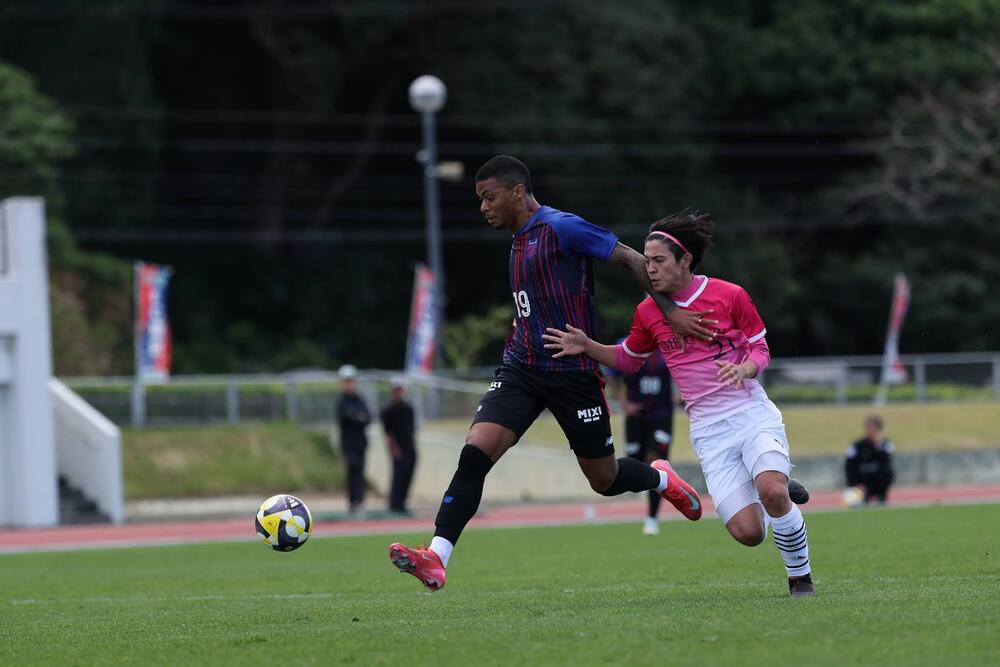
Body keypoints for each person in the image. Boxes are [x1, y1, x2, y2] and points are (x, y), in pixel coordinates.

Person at [388, 155, 715, 592]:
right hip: (521, 369)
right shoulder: (517, 241)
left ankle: (660, 478)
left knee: (604, 480)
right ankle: (436, 557)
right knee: (474, 454)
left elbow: (631, 259)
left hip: (572, 374)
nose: (483, 208)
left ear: (518, 192)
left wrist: (670, 311)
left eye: (489, 197)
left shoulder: (562, 227)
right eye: (480, 199)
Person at [542, 210, 817, 597]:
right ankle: (771, 485)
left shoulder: (730, 295)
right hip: (708, 429)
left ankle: (800, 577)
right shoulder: (648, 311)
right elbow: (629, 360)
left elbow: (761, 348)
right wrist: (587, 345)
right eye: (646, 261)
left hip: (751, 414)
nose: (649, 269)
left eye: (659, 261)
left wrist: (746, 368)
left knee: (773, 492)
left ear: (685, 260)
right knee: (749, 533)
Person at [606, 345, 675, 535]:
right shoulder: (628, 345)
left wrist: (682, 392)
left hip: (661, 415)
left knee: (656, 462)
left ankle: (652, 518)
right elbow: (610, 372)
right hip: (635, 417)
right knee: (634, 463)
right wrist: (623, 402)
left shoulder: (669, 344)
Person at [336, 364, 371, 516]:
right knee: (351, 473)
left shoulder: (360, 399)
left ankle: (360, 501)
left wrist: (356, 417)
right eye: (346, 381)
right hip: (348, 444)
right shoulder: (341, 401)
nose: (349, 384)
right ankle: (352, 503)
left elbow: (367, 418)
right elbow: (346, 418)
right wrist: (358, 417)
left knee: (360, 473)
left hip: (360, 443)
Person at [381, 377, 418, 515]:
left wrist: (413, 448)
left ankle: (402, 502)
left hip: (409, 447)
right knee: (398, 475)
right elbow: (388, 433)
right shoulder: (388, 411)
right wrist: (394, 449)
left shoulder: (408, 409)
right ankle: (394, 503)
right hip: (397, 448)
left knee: (408, 474)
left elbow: (412, 430)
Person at [845, 415, 895, 504]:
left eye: (874, 430)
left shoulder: (885, 445)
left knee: (887, 471)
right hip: (861, 484)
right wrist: (856, 484)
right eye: (869, 429)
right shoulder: (857, 446)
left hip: (878, 482)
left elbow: (887, 461)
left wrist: (878, 446)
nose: (871, 432)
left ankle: (881, 496)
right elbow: (849, 467)